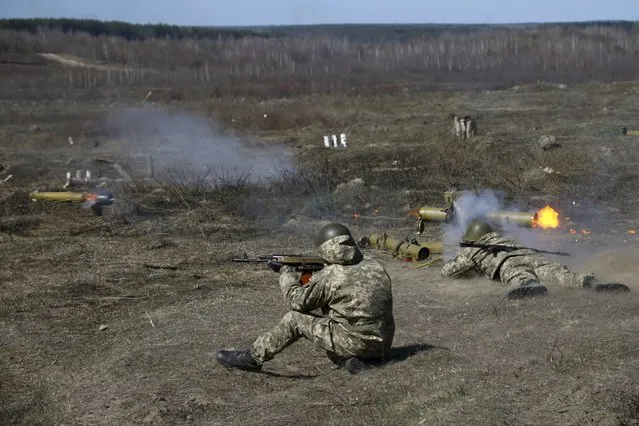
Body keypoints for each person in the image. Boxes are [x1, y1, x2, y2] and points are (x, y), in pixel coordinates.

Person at [216, 222, 395, 374]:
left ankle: (252, 358)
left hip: (355, 343)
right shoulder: (375, 265)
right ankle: (350, 362)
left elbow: (298, 302)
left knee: (294, 319)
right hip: (383, 343)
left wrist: (286, 273)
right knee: (331, 340)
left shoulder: (331, 276)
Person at [442, 220, 630, 299]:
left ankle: (530, 286)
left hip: (508, 263)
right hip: (533, 257)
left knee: (518, 276)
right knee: (561, 274)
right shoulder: (505, 238)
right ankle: (591, 282)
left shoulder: (473, 250)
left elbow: (449, 272)